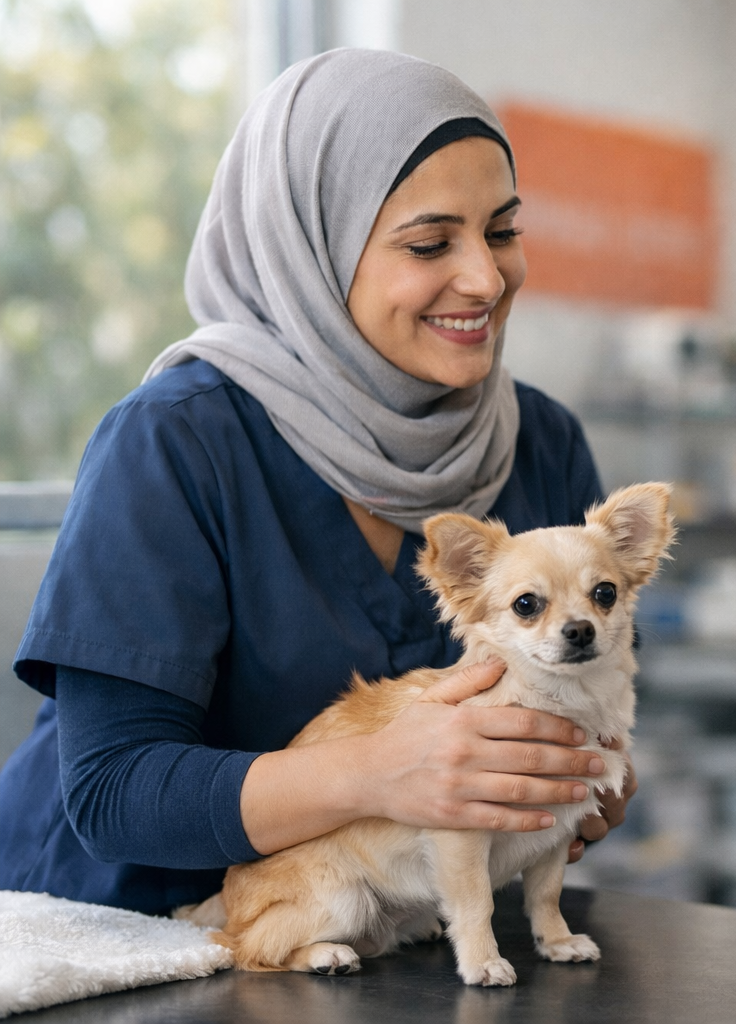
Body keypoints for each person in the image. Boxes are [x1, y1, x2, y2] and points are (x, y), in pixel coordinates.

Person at [0, 49, 634, 917]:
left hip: (386, 944)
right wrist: (382, 773)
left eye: (502, 230)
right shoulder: (176, 443)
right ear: (310, 248)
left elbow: (581, 712)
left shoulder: (542, 443)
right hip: (127, 935)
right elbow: (115, 792)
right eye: (428, 242)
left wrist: (569, 786)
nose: (486, 279)